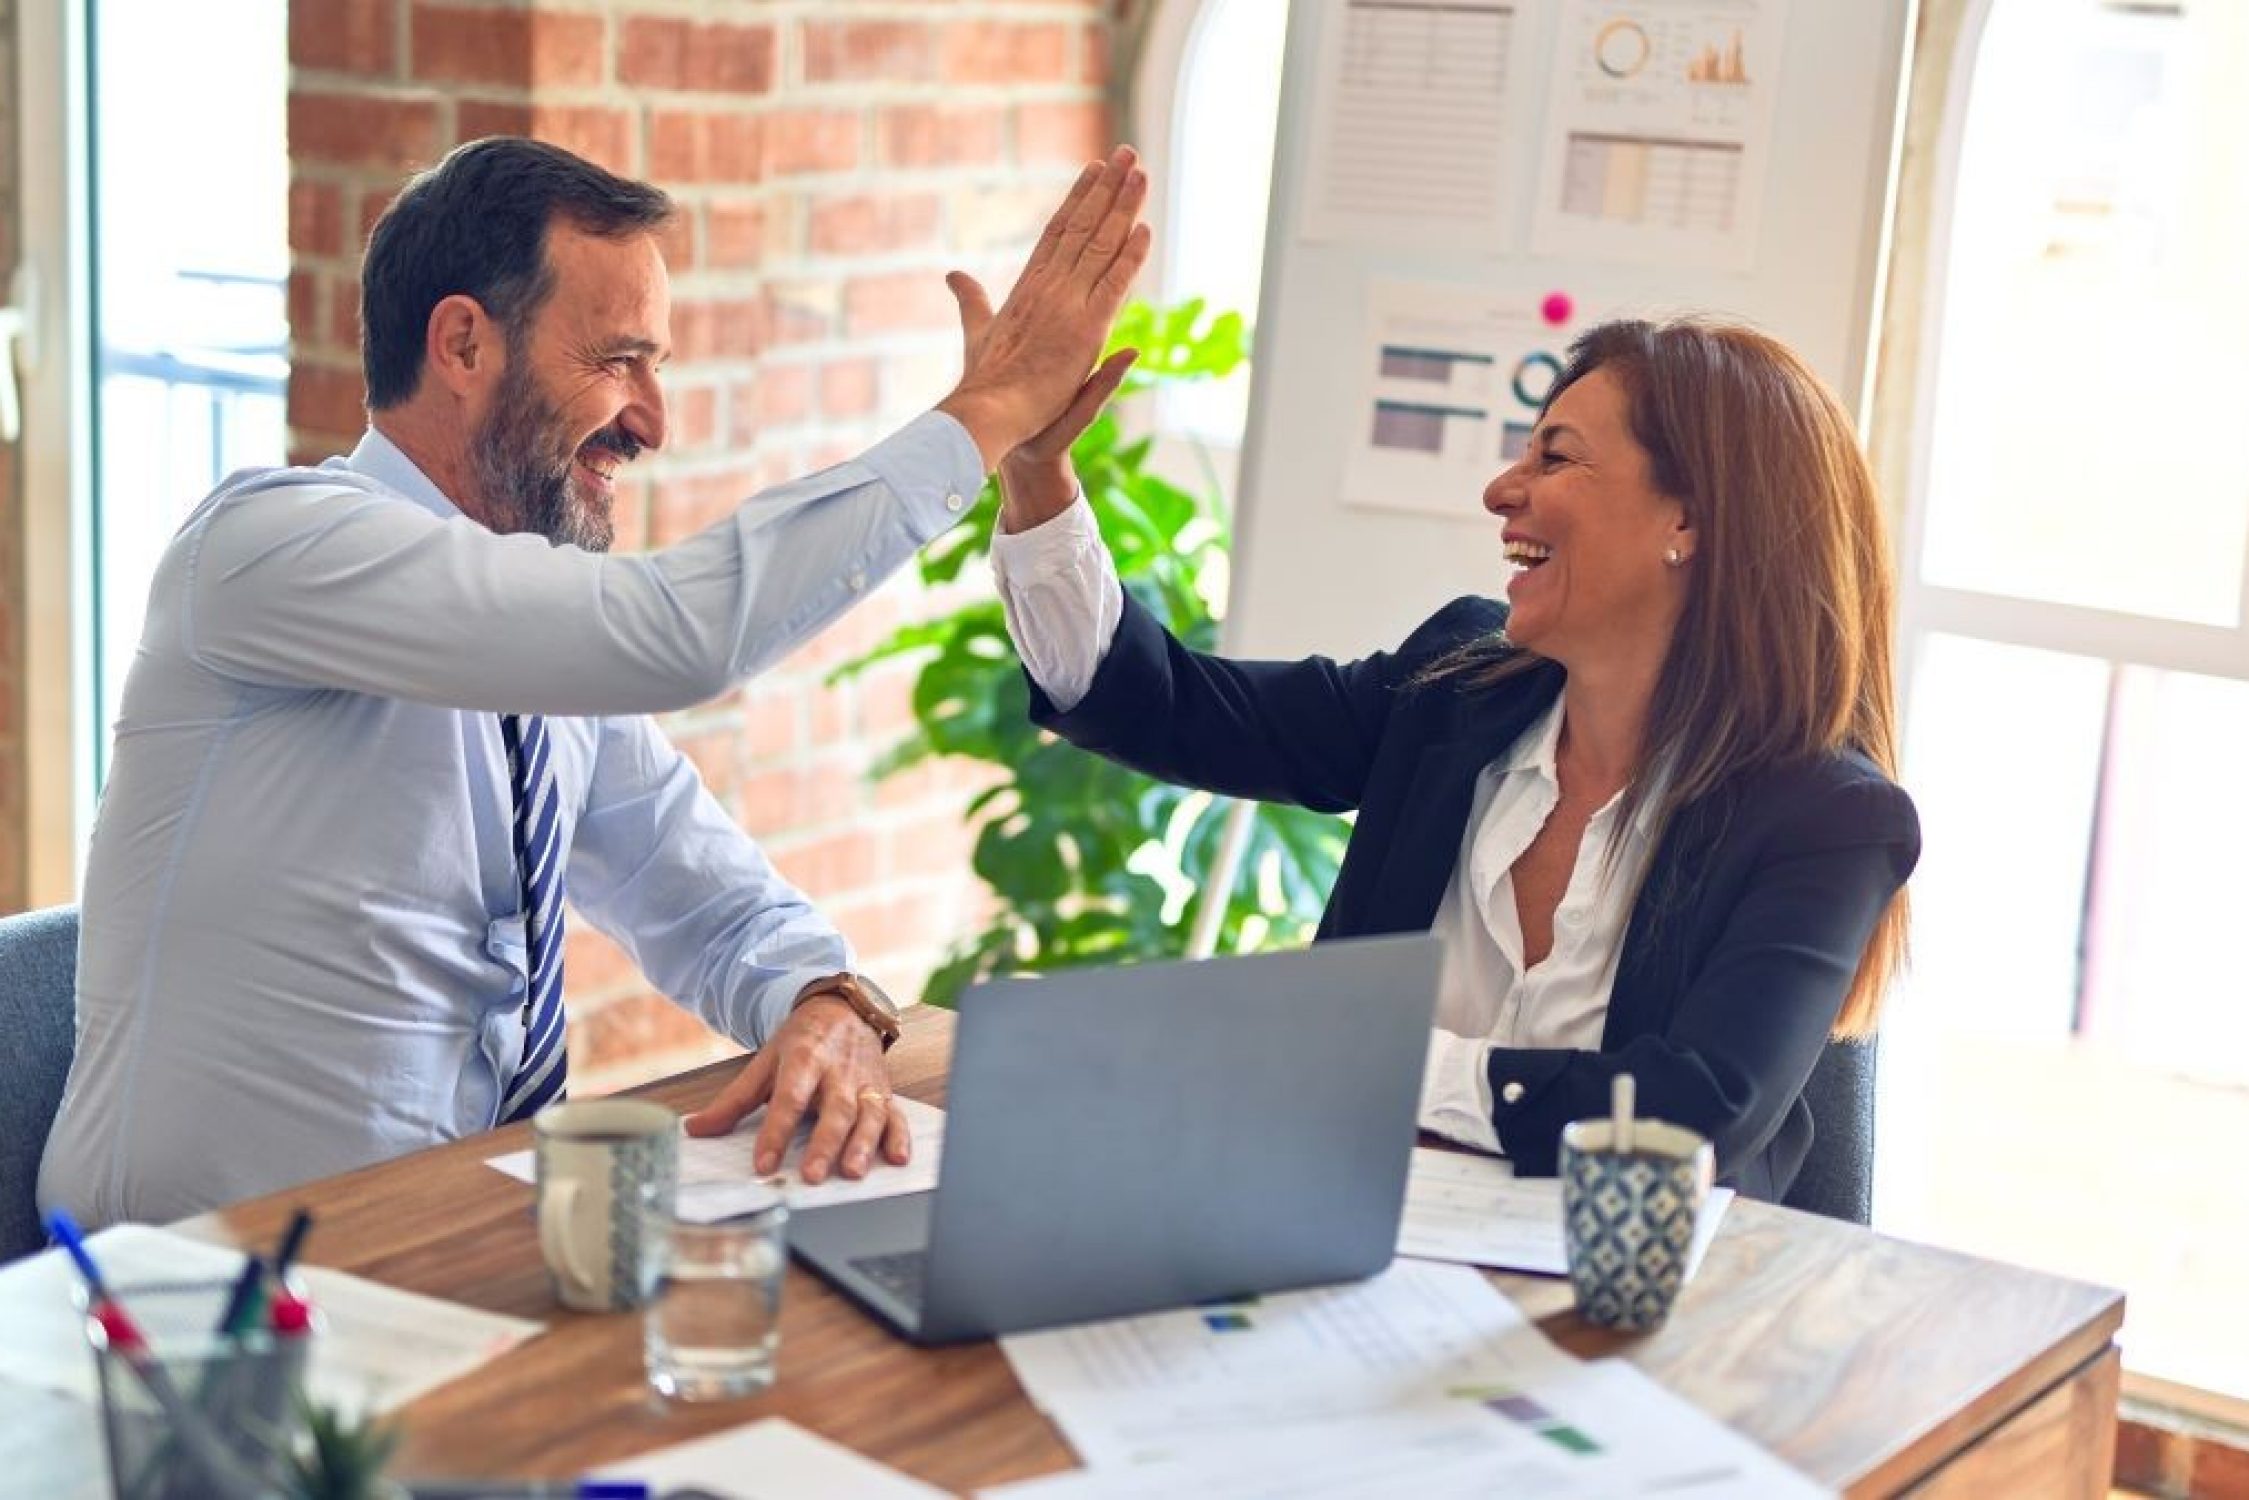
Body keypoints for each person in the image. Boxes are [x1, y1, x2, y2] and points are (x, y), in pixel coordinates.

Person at [40, 135, 1150, 1227]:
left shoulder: (536, 653)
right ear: (464, 346)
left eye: (655, 367)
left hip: (443, 1252)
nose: (652, 422)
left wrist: (825, 1001)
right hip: (187, 1297)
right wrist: (987, 413)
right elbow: (679, 634)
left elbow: (706, 898)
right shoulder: (269, 547)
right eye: (619, 359)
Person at [986, 317, 1919, 1200]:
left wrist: (1373, 1061)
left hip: (1639, 1316)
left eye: (1554, 457)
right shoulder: (1455, 691)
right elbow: (1164, 706)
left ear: (1688, 520)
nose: (1501, 490)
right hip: (1349, 1244)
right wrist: (1036, 473)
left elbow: (1687, 1119)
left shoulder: (1825, 818)